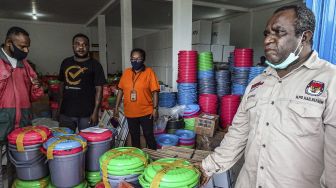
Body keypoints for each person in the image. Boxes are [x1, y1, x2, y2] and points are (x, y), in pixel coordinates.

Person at [198, 5, 336, 188]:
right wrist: (206, 168)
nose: (268, 40)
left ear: (305, 36)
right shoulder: (257, 83)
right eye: (266, 34)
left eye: (279, 33)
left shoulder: (329, 80)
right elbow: (238, 134)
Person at [0, 26, 42, 188]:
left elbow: (33, 96)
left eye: (28, 46)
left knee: (18, 166)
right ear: (9, 43)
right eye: (23, 46)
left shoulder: (24, 64)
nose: (27, 50)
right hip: (2, 123)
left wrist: (37, 87)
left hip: (21, 125)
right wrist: (5, 73)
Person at [58, 33, 106, 132]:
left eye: (84, 44)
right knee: (65, 142)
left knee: (88, 142)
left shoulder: (95, 65)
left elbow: (99, 90)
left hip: (87, 113)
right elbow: (62, 85)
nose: (81, 47)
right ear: (73, 46)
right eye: (77, 44)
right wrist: (60, 107)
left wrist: (96, 112)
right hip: (66, 112)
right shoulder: (66, 62)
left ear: (88, 47)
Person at [114, 48, 160, 150]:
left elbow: (155, 92)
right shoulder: (126, 73)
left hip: (146, 112)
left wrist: (155, 109)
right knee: (134, 136)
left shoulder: (149, 72)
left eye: (138, 58)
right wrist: (116, 107)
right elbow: (120, 90)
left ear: (143, 59)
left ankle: (155, 157)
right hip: (130, 112)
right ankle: (138, 158)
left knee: (148, 135)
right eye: (133, 58)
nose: (135, 61)